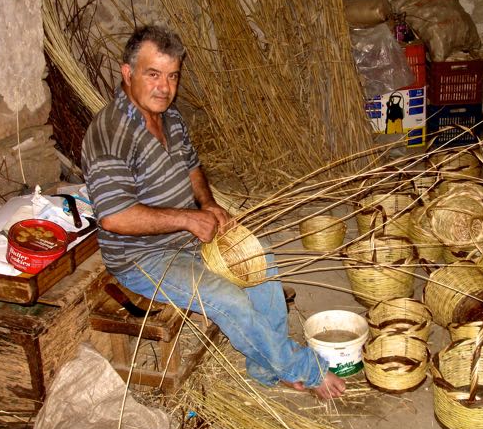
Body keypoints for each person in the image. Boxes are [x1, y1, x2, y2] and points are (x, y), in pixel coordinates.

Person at [80, 24, 345, 399]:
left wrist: (206, 204)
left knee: (260, 260)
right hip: (142, 257)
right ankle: (299, 368)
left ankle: (266, 365)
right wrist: (187, 218)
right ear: (128, 73)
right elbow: (114, 218)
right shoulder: (110, 133)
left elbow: (192, 166)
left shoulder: (169, 116)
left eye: (172, 76)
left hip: (186, 237)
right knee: (228, 299)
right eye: (152, 74)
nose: (164, 87)